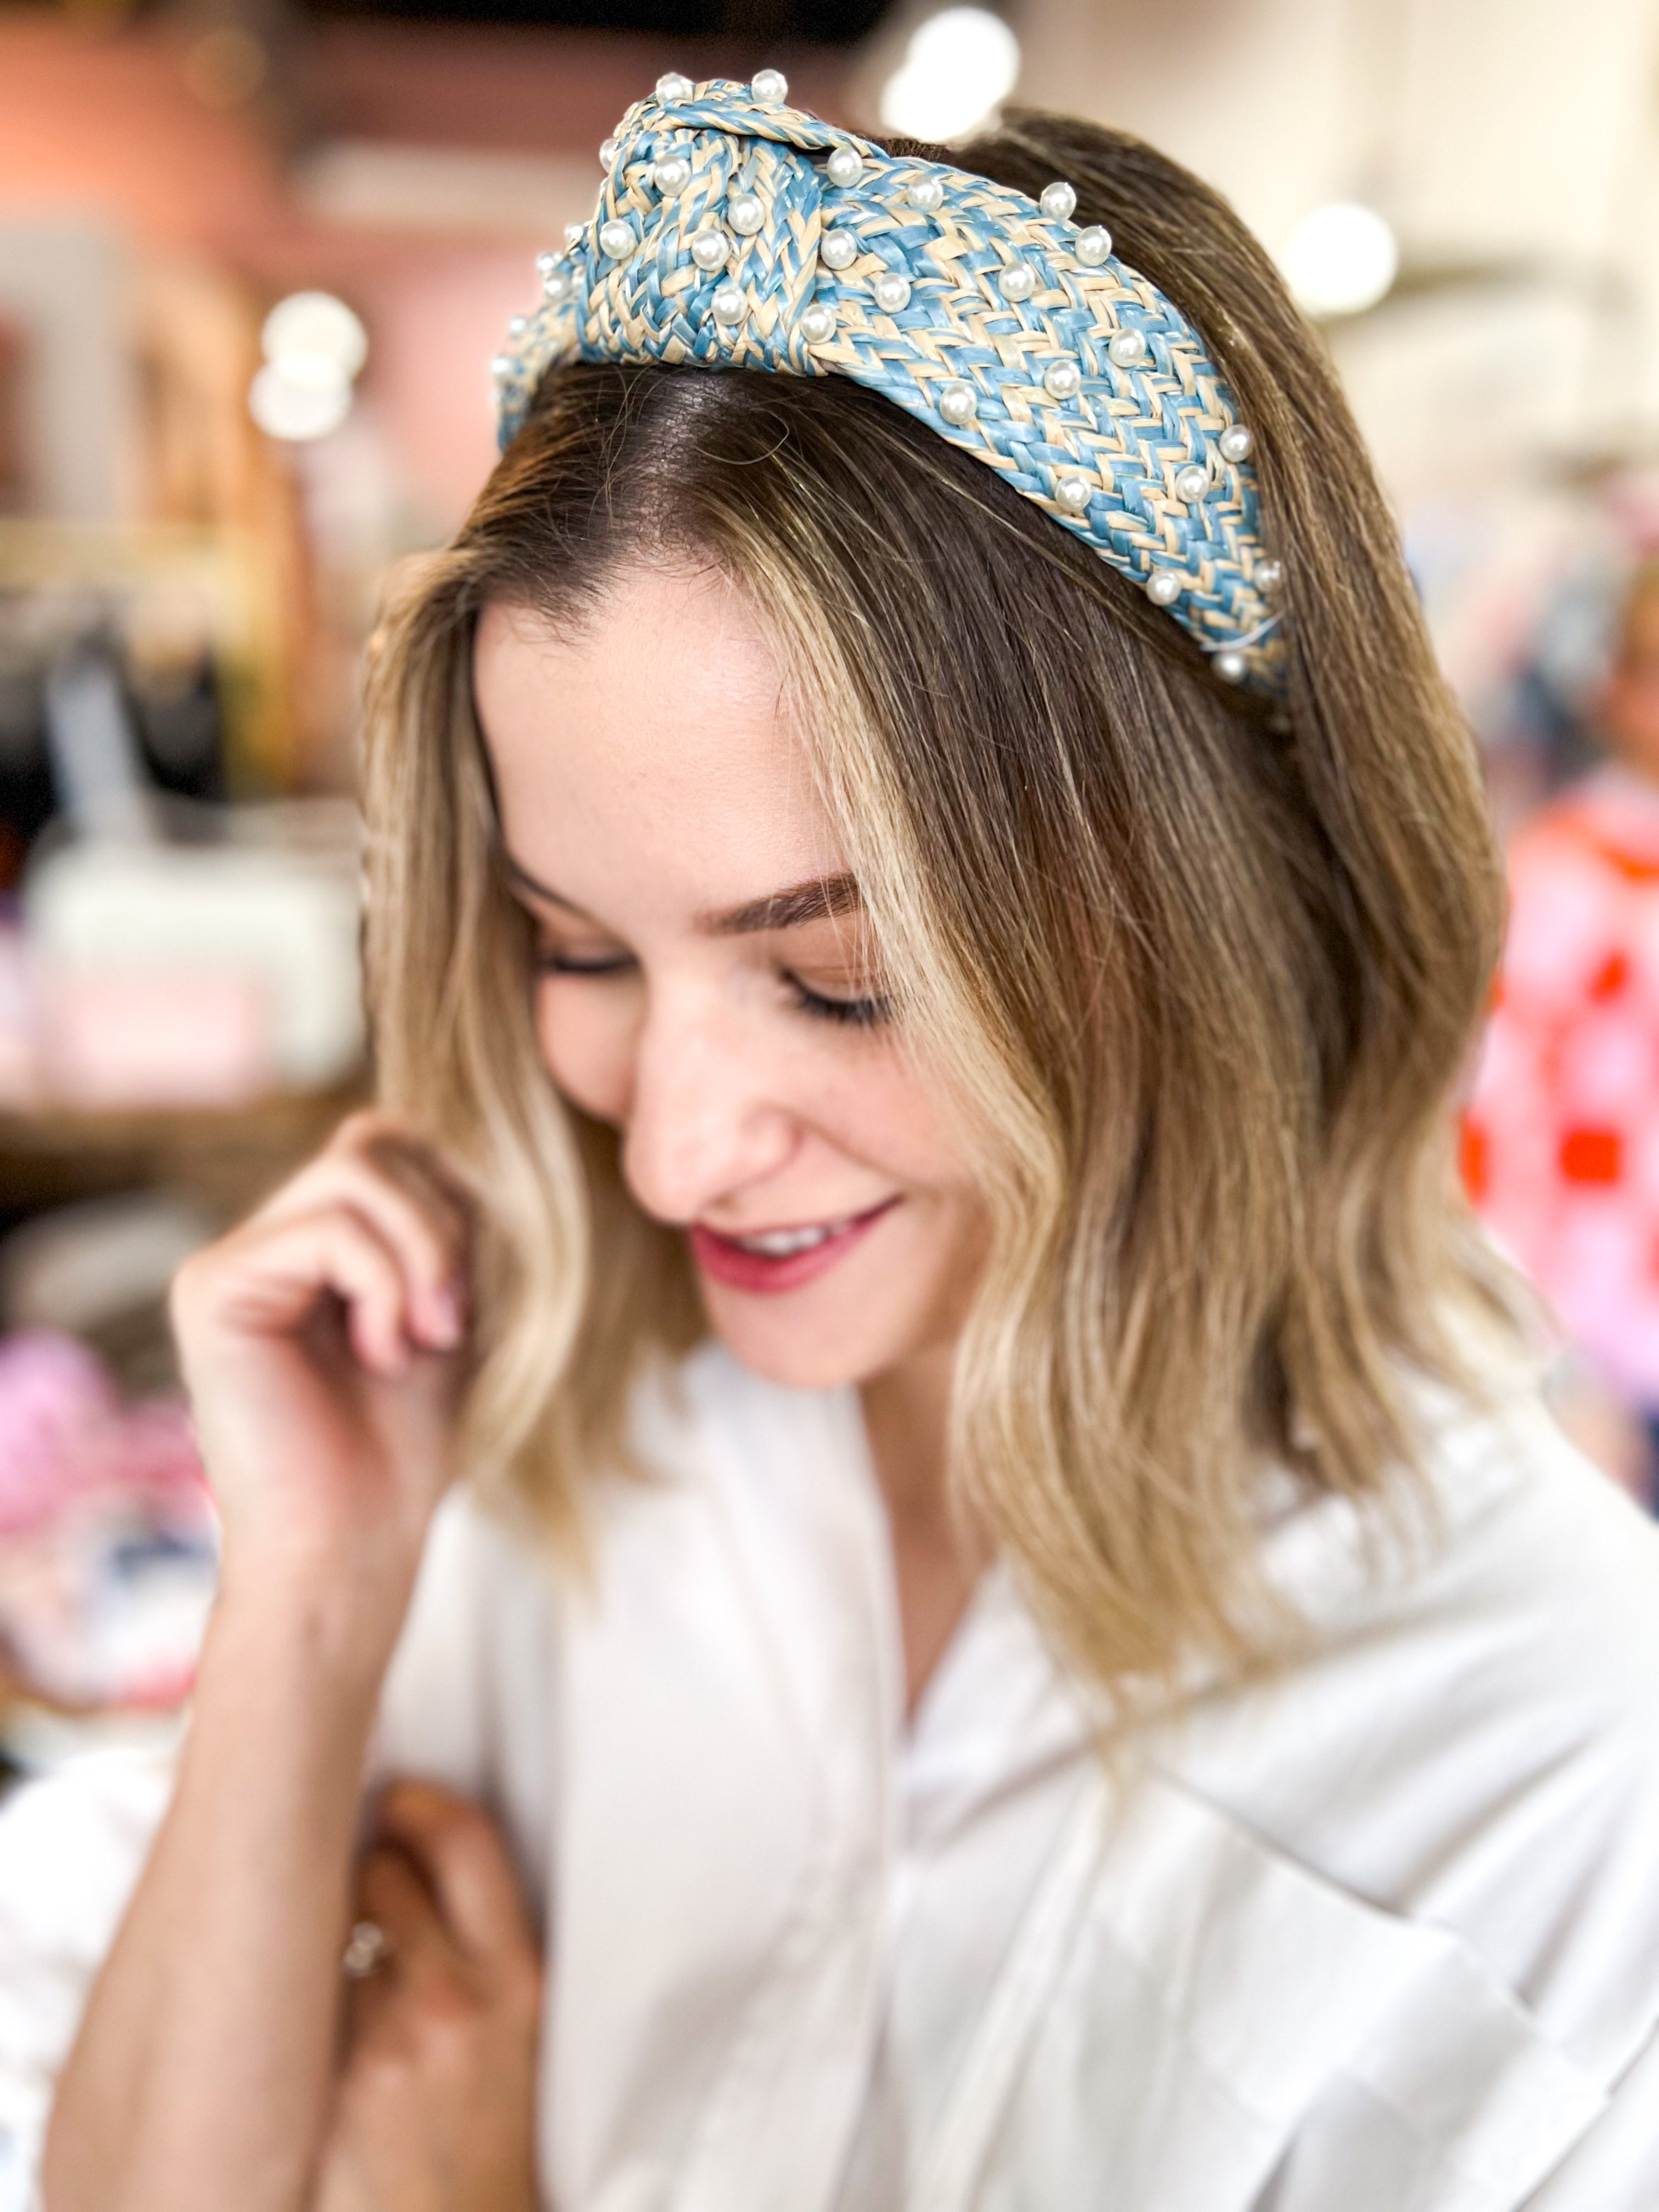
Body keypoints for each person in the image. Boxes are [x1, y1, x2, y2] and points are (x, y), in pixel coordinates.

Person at [9, 75, 1659, 2212]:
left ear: (1199, 911)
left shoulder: (1557, 1761)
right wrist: (309, 1608)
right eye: (576, 950)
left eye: (839, 979)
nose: (679, 1154)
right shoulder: (535, 1458)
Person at [1465, 556, 1659, 1505]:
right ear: (1614, 689)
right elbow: (1495, 1131)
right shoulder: (1560, 882)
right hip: (1612, 1352)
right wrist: (1558, 1366)